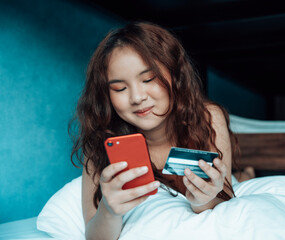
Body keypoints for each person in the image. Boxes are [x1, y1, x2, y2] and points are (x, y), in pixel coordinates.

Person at [70, 21, 250, 240]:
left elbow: (223, 205)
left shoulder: (208, 117)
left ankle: (246, 173)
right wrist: (108, 210)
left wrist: (204, 200)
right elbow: (95, 236)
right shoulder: (102, 139)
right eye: (120, 88)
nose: (137, 97)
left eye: (148, 79)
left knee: (237, 178)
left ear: (175, 76)